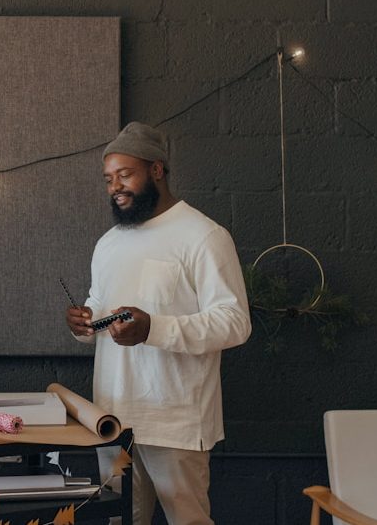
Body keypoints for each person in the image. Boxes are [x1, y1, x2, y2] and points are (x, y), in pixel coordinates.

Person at [65, 122, 251, 525]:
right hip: (113, 417)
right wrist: (85, 322)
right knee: (120, 520)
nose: (116, 186)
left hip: (177, 419)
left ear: (157, 170)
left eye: (125, 174)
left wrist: (154, 329)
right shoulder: (109, 242)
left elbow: (235, 322)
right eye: (109, 178)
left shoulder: (203, 236)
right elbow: (101, 306)